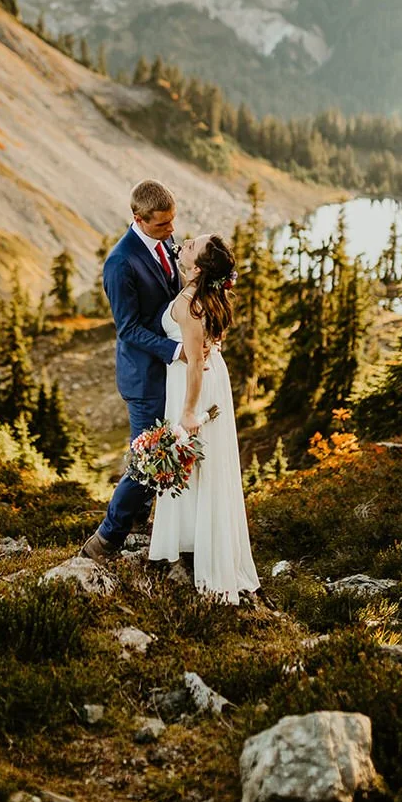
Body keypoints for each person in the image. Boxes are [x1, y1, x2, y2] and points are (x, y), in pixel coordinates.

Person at [149, 233, 260, 604]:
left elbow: (195, 361)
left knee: (200, 465)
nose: (186, 241)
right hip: (208, 377)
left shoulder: (189, 305)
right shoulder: (201, 296)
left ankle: (208, 554)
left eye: (192, 246)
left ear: (196, 268)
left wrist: (188, 411)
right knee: (201, 466)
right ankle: (197, 538)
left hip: (195, 384)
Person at [81, 179, 183, 560]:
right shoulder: (120, 262)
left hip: (169, 372)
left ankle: (140, 519)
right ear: (137, 219)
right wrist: (176, 350)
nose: (171, 230)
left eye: (172, 221)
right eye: (162, 225)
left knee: (161, 449)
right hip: (144, 376)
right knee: (147, 461)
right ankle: (105, 539)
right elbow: (129, 328)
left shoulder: (166, 242)